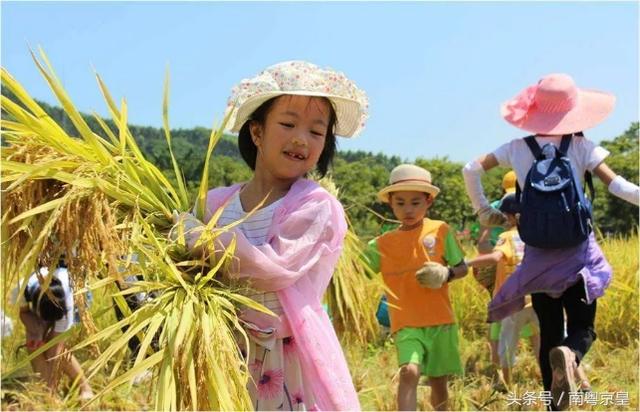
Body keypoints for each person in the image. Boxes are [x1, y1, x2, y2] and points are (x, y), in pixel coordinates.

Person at [175, 61, 368, 411]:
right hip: (221, 353)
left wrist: (200, 238)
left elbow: (270, 271)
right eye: (288, 123)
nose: (301, 139)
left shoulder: (314, 206)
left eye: (316, 131)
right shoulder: (216, 203)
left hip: (283, 360)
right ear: (257, 132)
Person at [462, 73, 639, 410]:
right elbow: (619, 187)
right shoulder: (583, 147)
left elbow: (471, 169)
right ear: (576, 111)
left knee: (550, 331)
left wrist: (485, 212)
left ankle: (553, 405)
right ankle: (571, 356)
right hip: (579, 257)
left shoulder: (515, 149)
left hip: (538, 260)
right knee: (584, 328)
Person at [364, 164, 468, 411]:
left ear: (428, 201)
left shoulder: (440, 230)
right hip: (405, 322)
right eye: (400, 203)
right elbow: (357, 272)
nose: (408, 210)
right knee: (409, 372)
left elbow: (462, 268)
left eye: (415, 203)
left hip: (440, 320)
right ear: (390, 203)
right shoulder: (381, 244)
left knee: (438, 381)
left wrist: (447, 273)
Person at [465, 193, 540, 386]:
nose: (504, 219)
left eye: (505, 215)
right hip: (541, 299)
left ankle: (506, 383)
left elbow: (495, 258)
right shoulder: (539, 234)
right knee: (543, 340)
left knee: (508, 343)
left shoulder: (507, 236)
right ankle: (554, 378)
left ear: (512, 216)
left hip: (513, 301)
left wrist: (466, 263)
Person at [14, 260, 93, 400]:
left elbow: (55, 349)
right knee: (34, 345)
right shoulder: (22, 289)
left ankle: (85, 387)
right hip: (42, 307)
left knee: (54, 352)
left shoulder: (67, 299)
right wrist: (36, 332)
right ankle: (50, 395)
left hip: (74, 298)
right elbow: (24, 312)